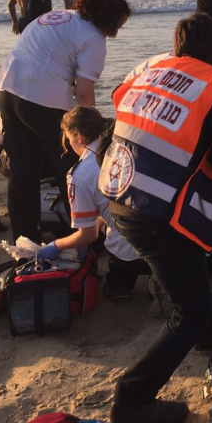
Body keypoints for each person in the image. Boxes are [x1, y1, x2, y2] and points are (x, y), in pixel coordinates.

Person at [98, 13, 212, 423]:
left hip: (119, 190)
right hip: (156, 211)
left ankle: (210, 327)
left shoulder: (154, 67)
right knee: (186, 310)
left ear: (176, 46)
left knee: (191, 258)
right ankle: (131, 399)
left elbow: (120, 100)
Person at [0, 0, 131, 244]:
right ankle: (79, 236)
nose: (116, 31)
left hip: (7, 90)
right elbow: (84, 94)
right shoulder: (93, 37)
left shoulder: (56, 16)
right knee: (70, 168)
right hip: (42, 100)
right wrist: (92, 136)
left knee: (23, 171)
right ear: (107, 18)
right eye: (117, 25)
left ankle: (24, 239)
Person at [37, 106, 150, 300]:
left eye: (68, 137)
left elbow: (87, 236)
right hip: (164, 241)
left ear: (78, 136)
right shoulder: (128, 148)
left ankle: (121, 287)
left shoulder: (79, 175)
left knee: (116, 285)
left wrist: (55, 245)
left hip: (130, 252)